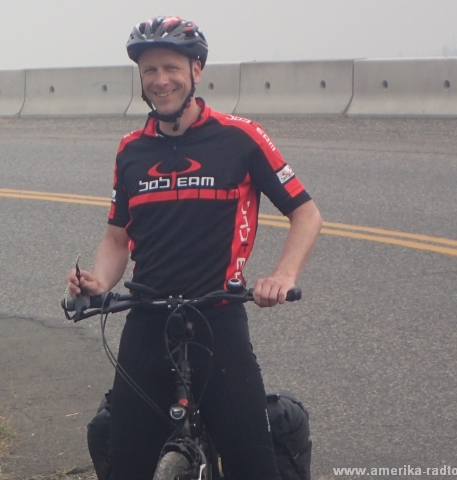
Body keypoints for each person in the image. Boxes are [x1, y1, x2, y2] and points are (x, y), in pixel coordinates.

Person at [66, 16, 323, 480]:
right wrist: (98, 282)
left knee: (252, 465)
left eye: (171, 67)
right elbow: (117, 238)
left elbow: (305, 213)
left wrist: (283, 276)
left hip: (217, 316)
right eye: (149, 70)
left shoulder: (240, 138)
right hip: (146, 316)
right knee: (124, 463)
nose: (160, 80)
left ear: (197, 70)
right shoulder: (130, 152)